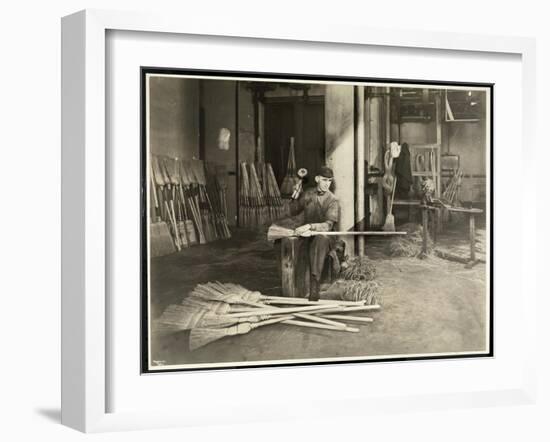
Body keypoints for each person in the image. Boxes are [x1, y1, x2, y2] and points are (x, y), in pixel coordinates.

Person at [283, 166, 341, 301]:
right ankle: (292, 286)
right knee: (287, 241)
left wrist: (309, 226)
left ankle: (314, 285)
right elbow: (293, 211)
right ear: (317, 179)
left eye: (330, 181)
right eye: (324, 180)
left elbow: (328, 226)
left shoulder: (332, 200)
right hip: (307, 233)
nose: (327, 183)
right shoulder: (309, 194)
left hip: (327, 237)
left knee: (319, 240)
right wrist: (295, 195)